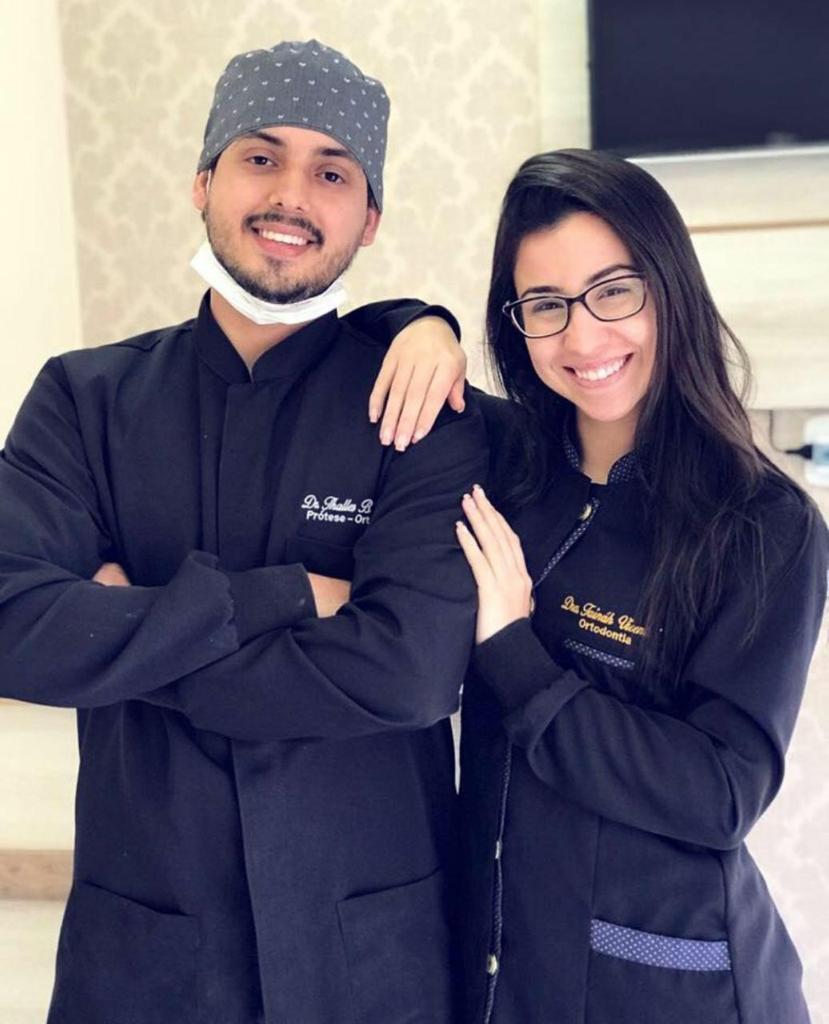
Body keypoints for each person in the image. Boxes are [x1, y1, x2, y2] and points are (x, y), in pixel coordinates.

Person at [0, 39, 483, 1024]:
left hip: (370, 952)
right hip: (150, 952)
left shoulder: (422, 409)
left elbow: (411, 672)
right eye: (260, 158)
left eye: (332, 173)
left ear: (370, 217)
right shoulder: (84, 401)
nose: (290, 196)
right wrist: (290, 597)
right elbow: (14, 627)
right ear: (202, 182)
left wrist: (129, 639)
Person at [445, 150, 827, 1024]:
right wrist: (420, 325)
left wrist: (513, 654)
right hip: (504, 969)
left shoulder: (764, 525)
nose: (582, 340)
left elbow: (720, 792)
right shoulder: (508, 470)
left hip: (664, 983)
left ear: (669, 289)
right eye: (546, 305)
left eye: (613, 291)